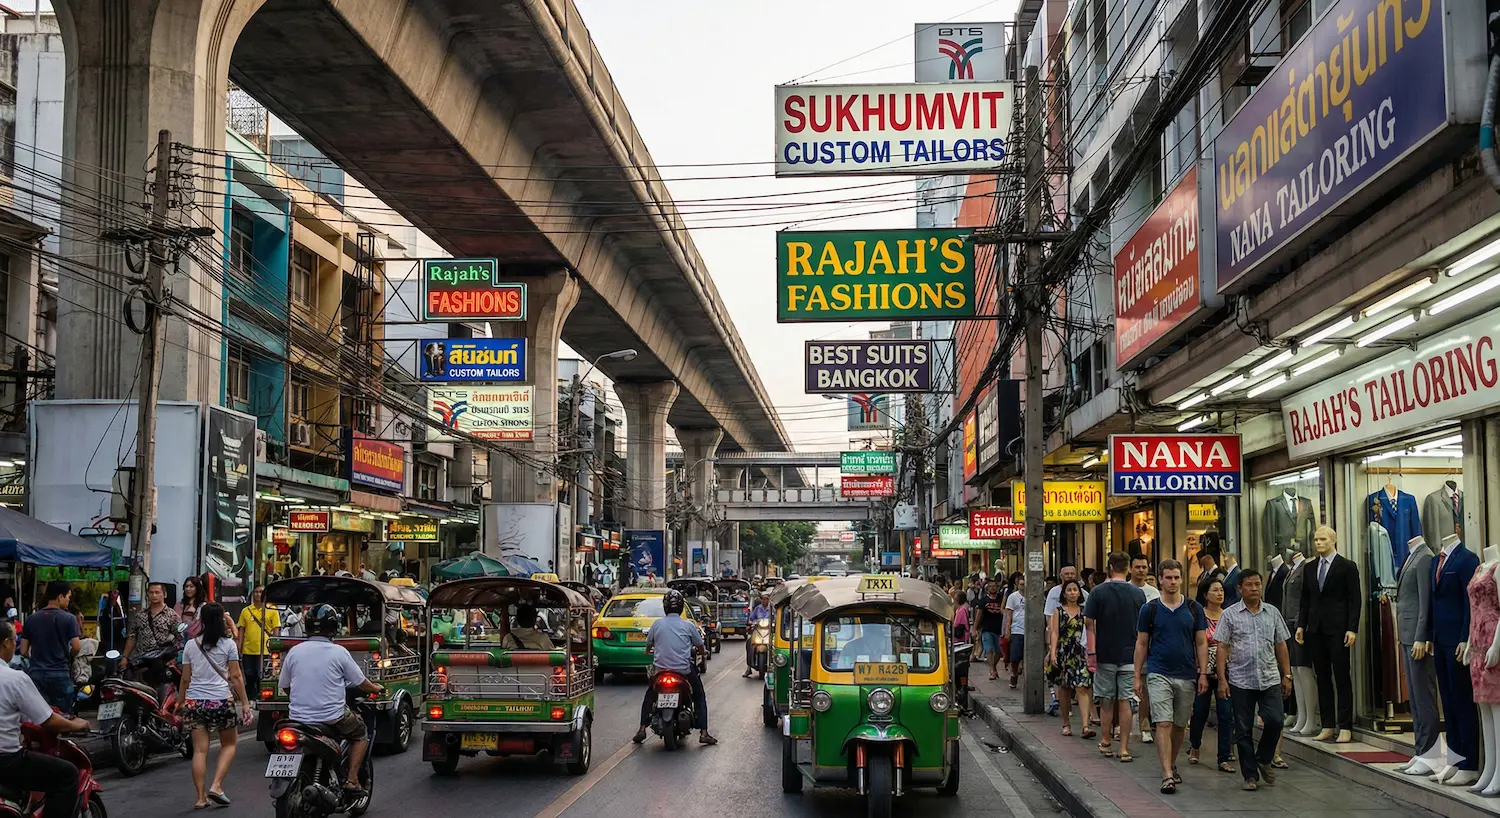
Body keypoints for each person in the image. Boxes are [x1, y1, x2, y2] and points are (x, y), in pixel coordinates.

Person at [278, 604, 384, 799]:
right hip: (332, 717)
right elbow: (361, 683)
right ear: (334, 627)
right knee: (360, 732)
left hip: (297, 719)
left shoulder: (294, 652)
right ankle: (352, 780)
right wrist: (377, 688)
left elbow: (285, 686)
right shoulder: (339, 652)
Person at [1134, 559, 1209, 795]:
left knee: (1179, 725)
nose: (1173, 582)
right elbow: (1142, 642)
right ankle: (1166, 773)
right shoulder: (1150, 609)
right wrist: (1137, 676)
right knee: (1163, 722)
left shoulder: (1194, 608)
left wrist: (1203, 673)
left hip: (1186, 674)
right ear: (1160, 580)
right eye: (1169, 577)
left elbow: (1201, 641)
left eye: (1177, 577)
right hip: (1158, 672)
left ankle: (1172, 762)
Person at [0, 621, 89, 818]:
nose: (16, 645)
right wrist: (76, 724)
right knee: (67, 774)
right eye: (15, 640)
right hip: (7, 762)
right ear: (6, 643)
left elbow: (24, 713)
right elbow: (48, 720)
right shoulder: (14, 678)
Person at [1214, 570, 1293, 792]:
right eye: (1249, 585)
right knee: (1243, 729)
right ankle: (1250, 775)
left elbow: (1281, 644)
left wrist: (1287, 675)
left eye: (1257, 584)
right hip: (1240, 679)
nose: (1255, 588)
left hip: (1269, 678)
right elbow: (1222, 647)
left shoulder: (1272, 612)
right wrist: (1222, 679)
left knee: (1276, 721)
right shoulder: (1230, 615)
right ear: (1240, 589)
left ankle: (1264, 757)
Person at [181, 603, 251, 809]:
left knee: (200, 751)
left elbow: (185, 679)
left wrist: (179, 701)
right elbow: (236, 676)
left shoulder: (191, 645)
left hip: (194, 702)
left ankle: (200, 798)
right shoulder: (228, 645)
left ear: (201, 620)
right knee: (228, 745)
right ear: (221, 620)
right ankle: (217, 785)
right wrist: (245, 703)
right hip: (221, 700)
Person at [1085, 552, 1146, 762]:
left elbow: (1089, 624)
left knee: (1106, 700)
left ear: (1110, 567)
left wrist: (1091, 652)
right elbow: (1142, 629)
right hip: (1130, 655)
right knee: (1126, 702)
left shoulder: (1098, 592)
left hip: (1104, 654)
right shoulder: (1138, 594)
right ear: (1128, 567)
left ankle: (1106, 741)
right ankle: (1125, 748)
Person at [632, 590, 715, 745]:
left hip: (660, 670)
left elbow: (648, 645)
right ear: (682, 607)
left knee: (650, 695)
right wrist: (703, 653)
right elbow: (700, 646)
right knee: (699, 696)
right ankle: (704, 732)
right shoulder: (688, 625)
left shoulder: (657, 624)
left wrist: (648, 650)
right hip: (683, 670)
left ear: (665, 607)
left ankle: (642, 729)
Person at [1188, 578, 1235, 773]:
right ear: (1206, 594)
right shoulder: (1199, 616)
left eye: (1222, 590)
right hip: (1204, 671)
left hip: (1228, 671)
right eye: (1215, 590)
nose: (1220, 593)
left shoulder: (1230, 615)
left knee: (1226, 714)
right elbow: (1196, 642)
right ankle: (1195, 744)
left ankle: (1223, 756)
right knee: (1200, 711)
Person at [18, 582, 80, 714]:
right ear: (60, 597)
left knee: (41, 717)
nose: (69, 600)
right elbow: (76, 647)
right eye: (68, 597)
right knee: (64, 717)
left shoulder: (31, 619)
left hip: (36, 675)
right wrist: (69, 655)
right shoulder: (69, 619)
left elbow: (23, 651)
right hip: (60, 674)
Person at [1049, 579, 1095, 739]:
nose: (1073, 593)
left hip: (1081, 653)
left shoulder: (1086, 611)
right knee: (1065, 688)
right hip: (1064, 652)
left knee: (1083, 687)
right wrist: (1053, 653)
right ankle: (1066, 723)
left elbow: (1090, 630)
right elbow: (1054, 632)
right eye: (1069, 590)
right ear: (1064, 593)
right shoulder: (1058, 611)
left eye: (1075, 590)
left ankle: (1085, 725)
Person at [123, 582, 183, 689]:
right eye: (151, 592)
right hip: (142, 662)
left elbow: (180, 638)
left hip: (163, 663)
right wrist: (125, 657)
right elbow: (132, 637)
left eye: (157, 592)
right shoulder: (140, 615)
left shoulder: (172, 615)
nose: (154, 595)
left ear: (164, 595)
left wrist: (175, 658)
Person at [236, 587, 280, 702]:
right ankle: (250, 695)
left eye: (261, 592)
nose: (258, 594)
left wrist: (274, 645)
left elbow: (276, 629)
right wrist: (238, 647)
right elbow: (241, 630)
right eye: (256, 592)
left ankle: (261, 695)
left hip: (265, 649)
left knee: (263, 674)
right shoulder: (246, 611)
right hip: (248, 649)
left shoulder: (272, 610)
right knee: (249, 674)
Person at [976, 580, 1008, 681]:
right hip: (987, 628)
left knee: (999, 651)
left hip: (999, 629)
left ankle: (993, 666)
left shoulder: (1001, 599)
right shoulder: (983, 600)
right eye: (990, 586)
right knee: (988, 649)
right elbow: (979, 615)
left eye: (994, 586)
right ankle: (991, 670)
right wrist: (975, 628)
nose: (993, 588)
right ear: (987, 588)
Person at [1004, 578, 1027, 689]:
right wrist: (1007, 630)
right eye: (1021, 584)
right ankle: (1014, 673)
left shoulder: (1035, 596)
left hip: (1031, 630)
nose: (1023, 585)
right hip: (1017, 629)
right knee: (1015, 656)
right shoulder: (1013, 597)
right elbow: (1009, 614)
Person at [743, 592, 773, 677]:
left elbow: (777, 618)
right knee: (749, 643)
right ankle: (749, 668)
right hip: (758, 630)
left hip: (769, 631)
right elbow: (751, 618)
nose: (764, 601)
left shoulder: (772, 609)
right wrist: (750, 623)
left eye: (766, 599)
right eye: (763, 599)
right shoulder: (757, 608)